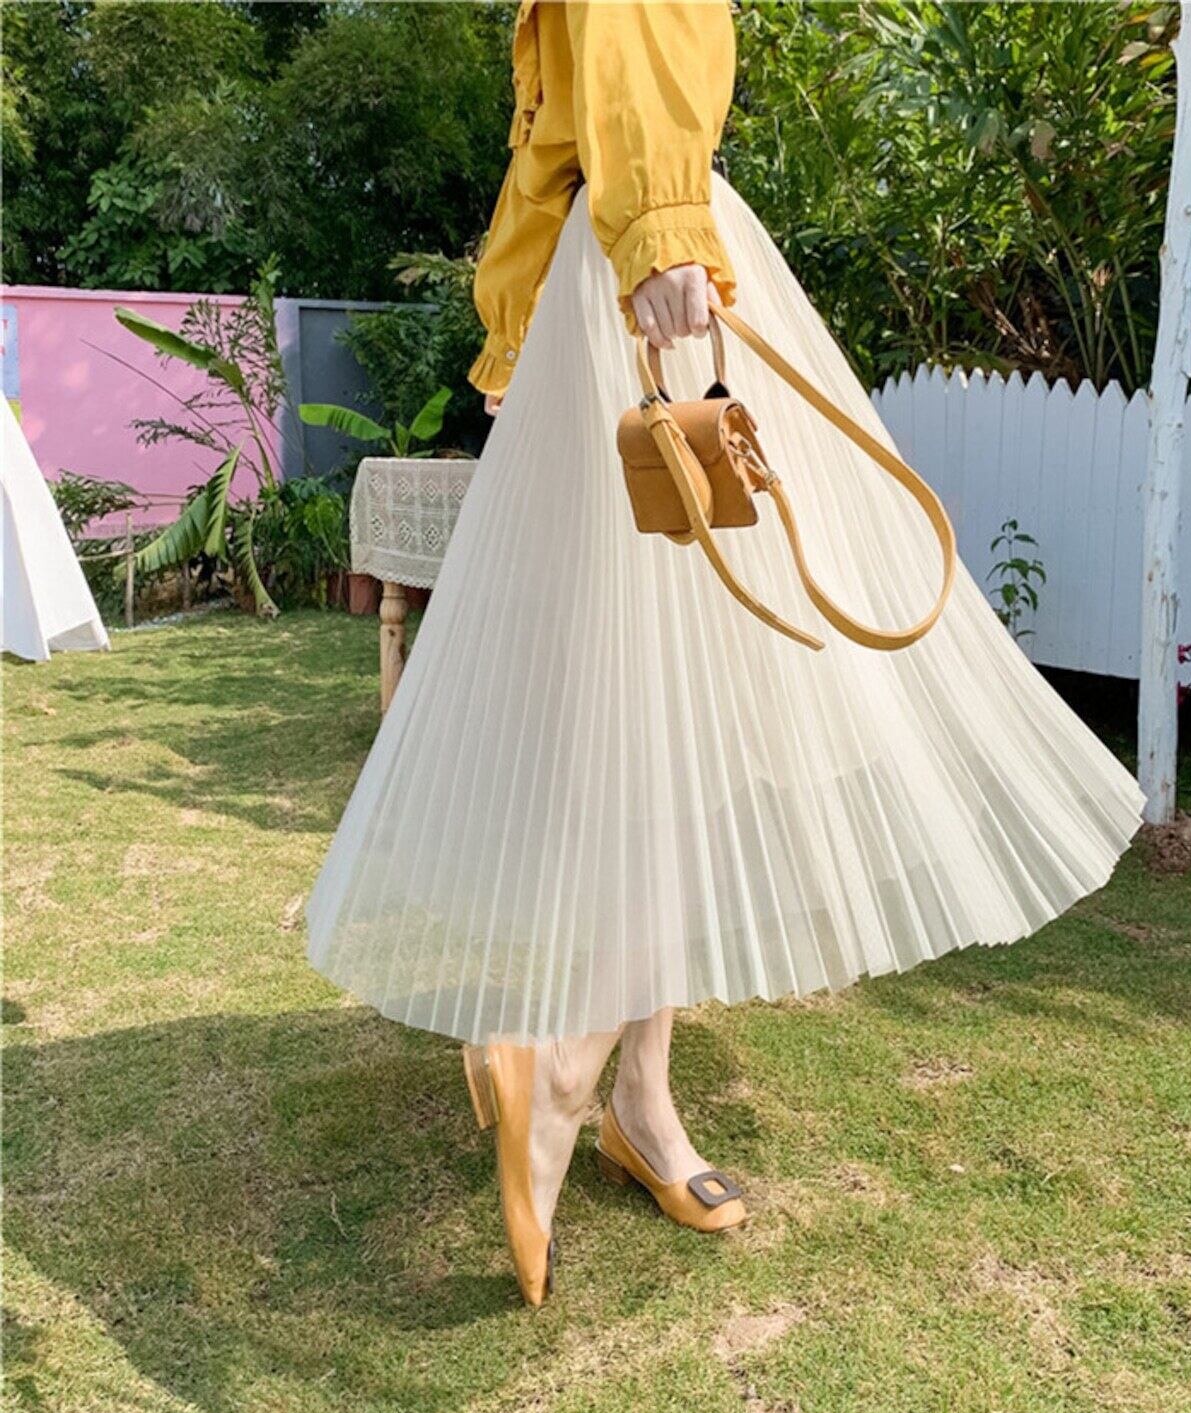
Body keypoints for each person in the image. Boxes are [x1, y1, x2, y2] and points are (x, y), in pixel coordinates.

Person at [306, 0, 1144, 1307]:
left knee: (658, 705)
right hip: (650, 269)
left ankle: (633, 1092)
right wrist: (659, 233)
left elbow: (557, 100)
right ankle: (566, 1066)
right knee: (697, 716)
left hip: (604, 271)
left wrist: (532, 304)